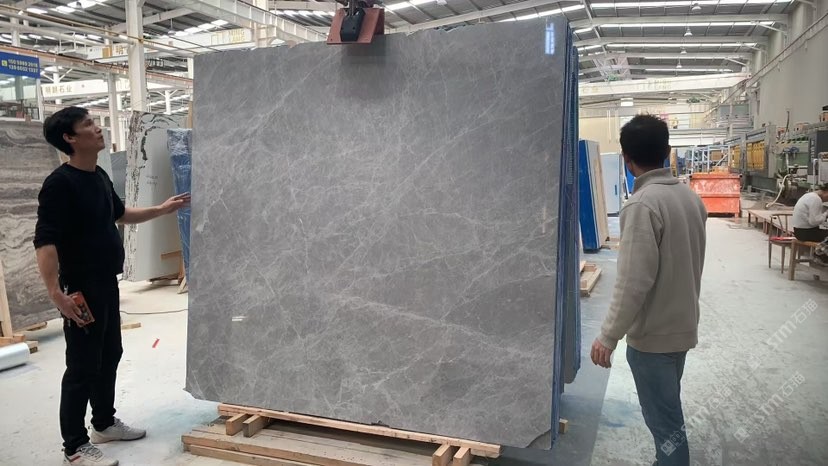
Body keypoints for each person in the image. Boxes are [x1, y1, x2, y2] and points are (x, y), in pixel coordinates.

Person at [34, 106, 191, 466]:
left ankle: (103, 423)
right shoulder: (59, 185)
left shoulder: (99, 175)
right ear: (70, 138)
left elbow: (120, 215)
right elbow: (45, 242)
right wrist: (56, 294)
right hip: (80, 289)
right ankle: (74, 446)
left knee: (109, 355)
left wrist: (162, 209)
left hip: (106, 282)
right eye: (88, 124)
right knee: (82, 366)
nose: (98, 128)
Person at [590, 115, 707, 466]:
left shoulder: (642, 205)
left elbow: (633, 282)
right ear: (667, 151)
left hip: (654, 339)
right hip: (681, 330)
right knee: (668, 417)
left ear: (627, 159)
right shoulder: (690, 199)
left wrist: (608, 335)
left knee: (667, 428)